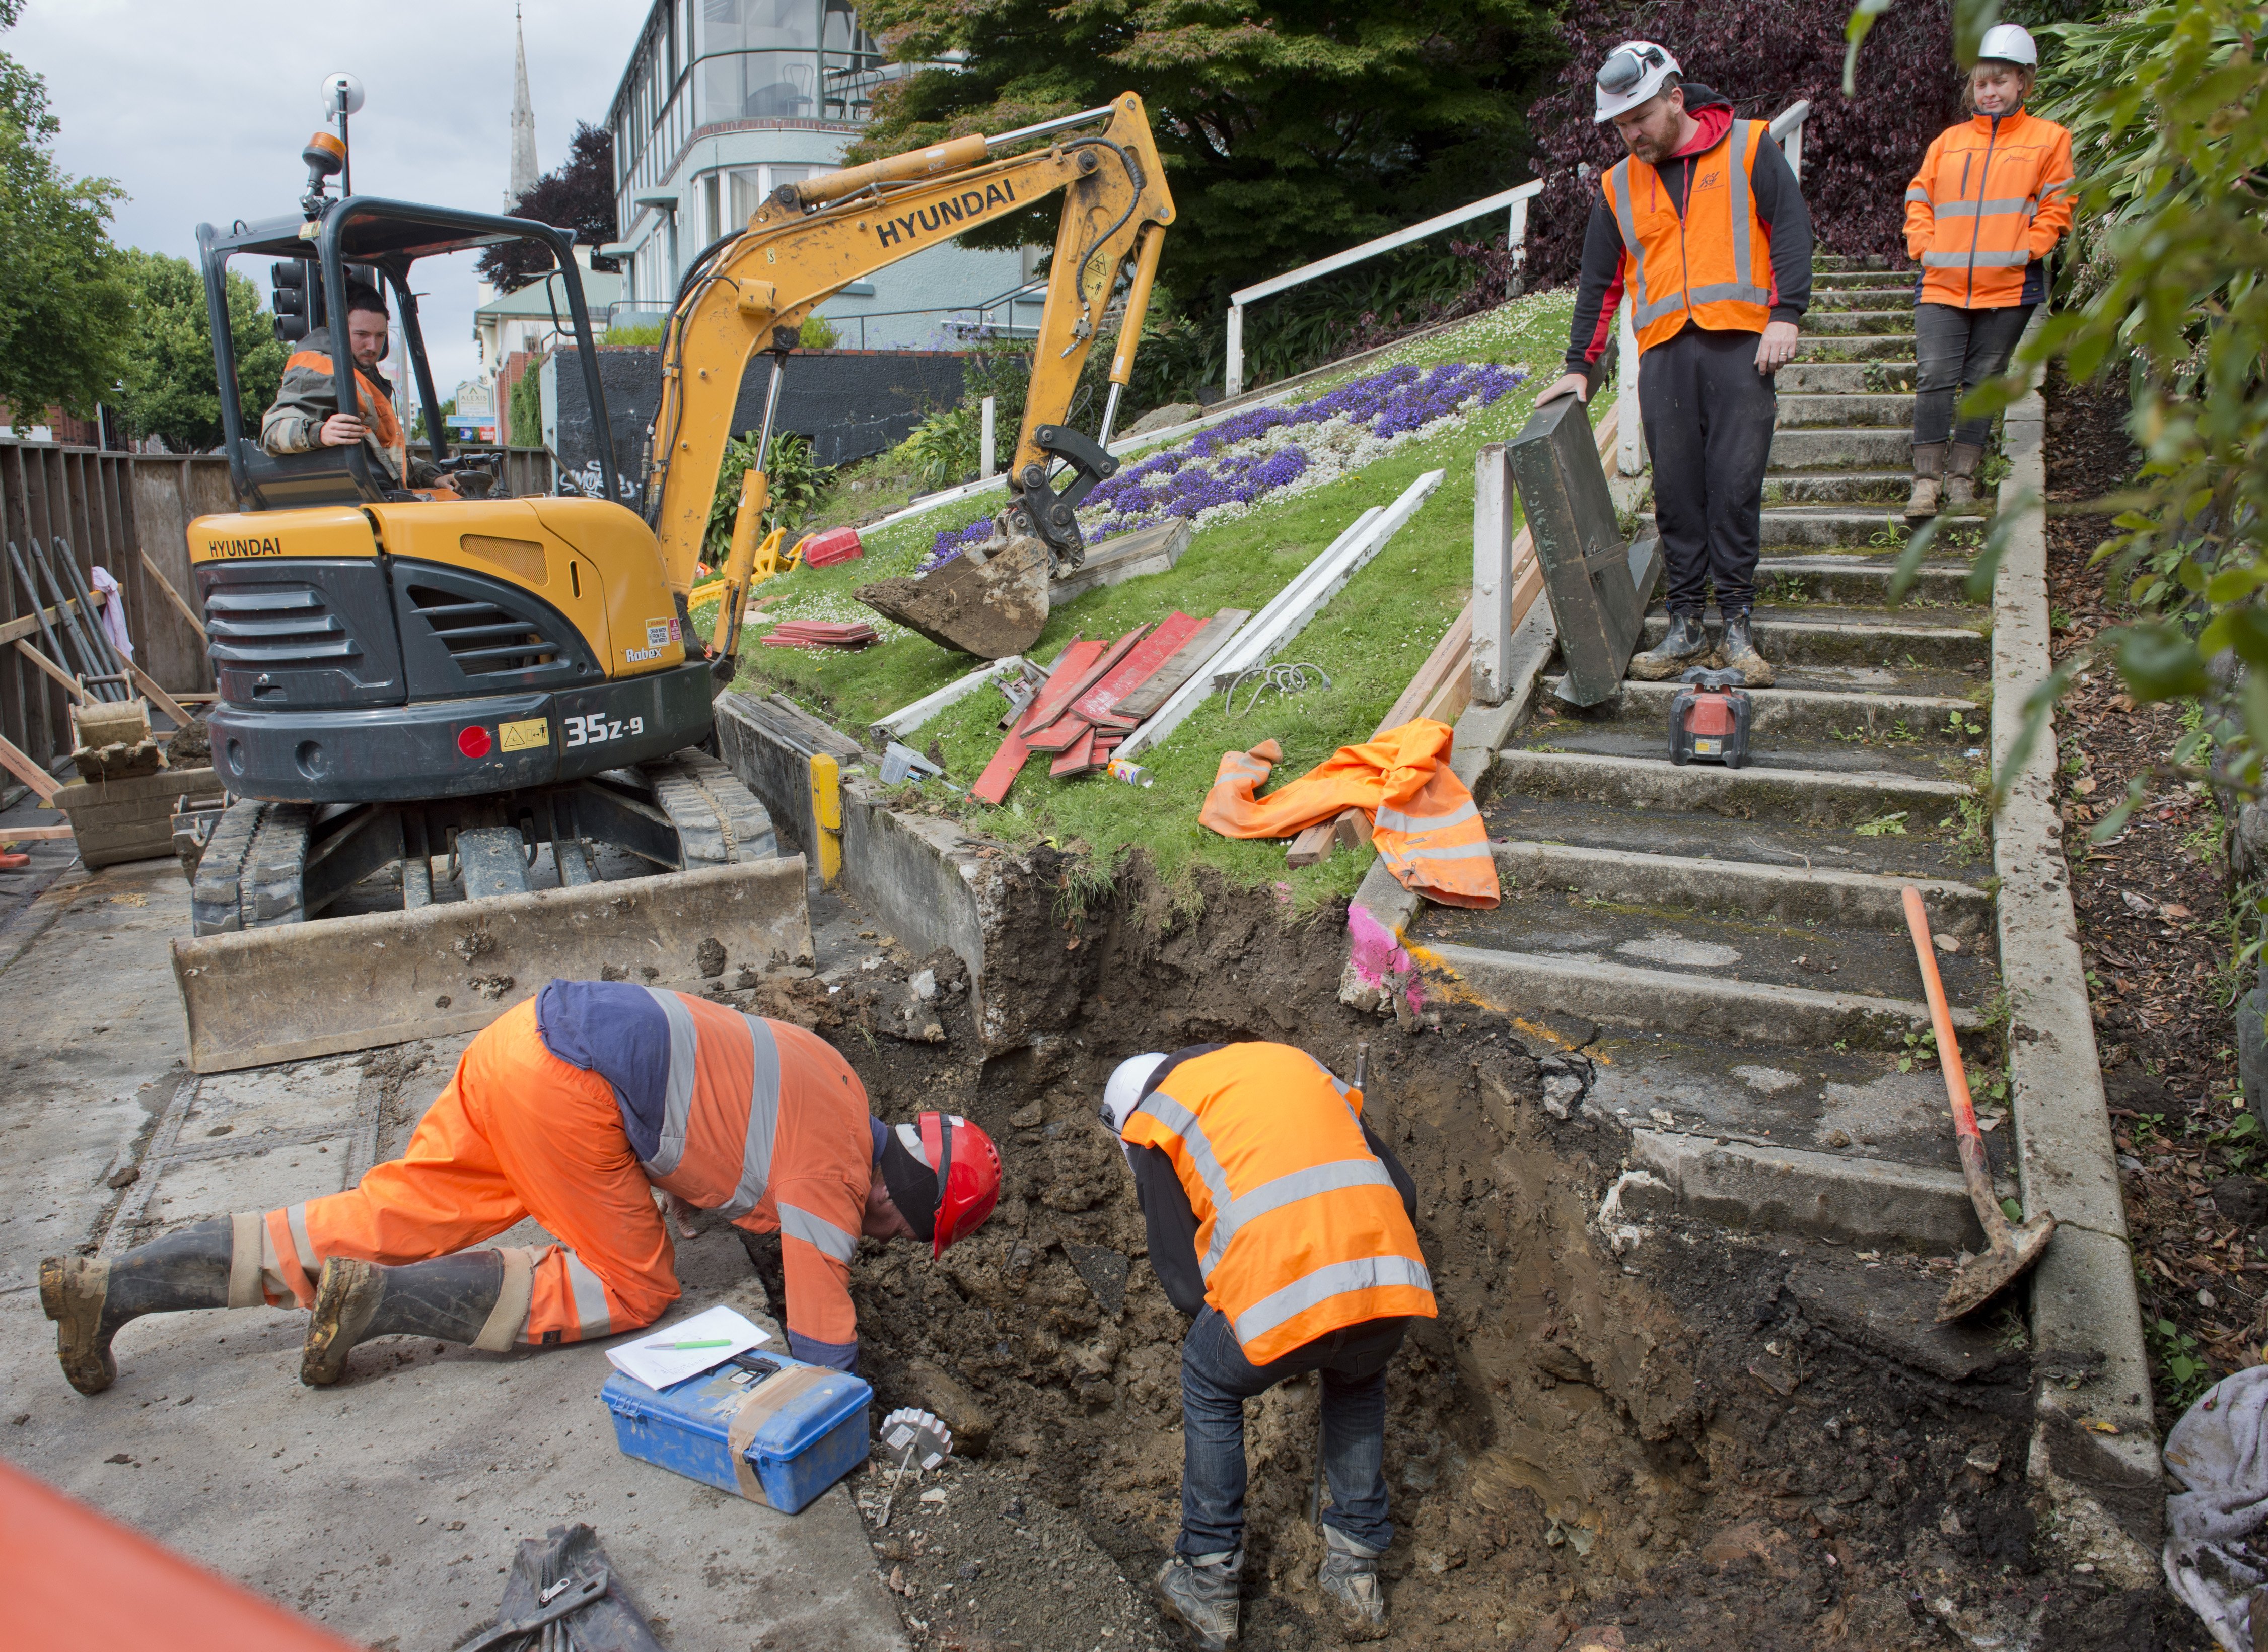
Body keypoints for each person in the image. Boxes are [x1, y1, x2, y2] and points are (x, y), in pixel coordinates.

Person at [40, 980, 1001, 1393]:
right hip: (571, 1091)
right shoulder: (837, 1182)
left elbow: (708, 1096)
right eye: (905, 1233)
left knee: (371, 1216)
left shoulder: (834, 1080)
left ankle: (115, 1285)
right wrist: (843, 1411)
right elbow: (823, 1336)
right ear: (904, 1202)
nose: (886, 1242)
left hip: (524, 1039)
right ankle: (385, 1303)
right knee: (640, 1286)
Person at [1100, 1043, 1436, 1648]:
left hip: (1284, 1290)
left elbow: (1183, 1284)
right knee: (1358, 1379)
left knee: (1208, 1376)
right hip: (1386, 1278)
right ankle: (1355, 1574)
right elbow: (1404, 1192)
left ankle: (1207, 1579)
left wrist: (1278, 1319)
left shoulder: (1154, 1117)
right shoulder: (1294, 1065)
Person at [1538, 42, 1815, 689]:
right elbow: (1599, 284)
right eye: (1619, 125)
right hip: (1664, 353)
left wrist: (1787, 313)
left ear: (1674, 98)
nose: (1630, 134)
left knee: (1735, 486)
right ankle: (1687, 627)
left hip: (1741, 347)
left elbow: (1791, 230)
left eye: (1638, 118)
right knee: (1677, 494)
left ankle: (1738, 628)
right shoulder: (1616, 185)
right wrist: (1581, 365)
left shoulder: (1749, 147)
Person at [1901, 24, 2073, 520]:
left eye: (2000, 81)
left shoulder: (2050, 140)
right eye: (1981, 83)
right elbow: (1919, 197)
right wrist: (1924, 245)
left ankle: (1962, 478)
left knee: (1983, 380)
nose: (1990, 91)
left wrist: (2029, 247)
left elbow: (2057, 204)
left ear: (2023, 82)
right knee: (1934, 375)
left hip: (2009, 283)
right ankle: (1926, 482)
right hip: (1941, 281)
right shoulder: (1948, 142)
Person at [260, 280, 454, 495]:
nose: (372, 346)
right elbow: (272, 433)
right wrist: (321, 432)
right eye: (362, 335)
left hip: (375, 497)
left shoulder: (364, 375)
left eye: (380, 336)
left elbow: (385, 457)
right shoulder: (320, 369)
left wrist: (434, 477)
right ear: (340, 331)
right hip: (346, 504)